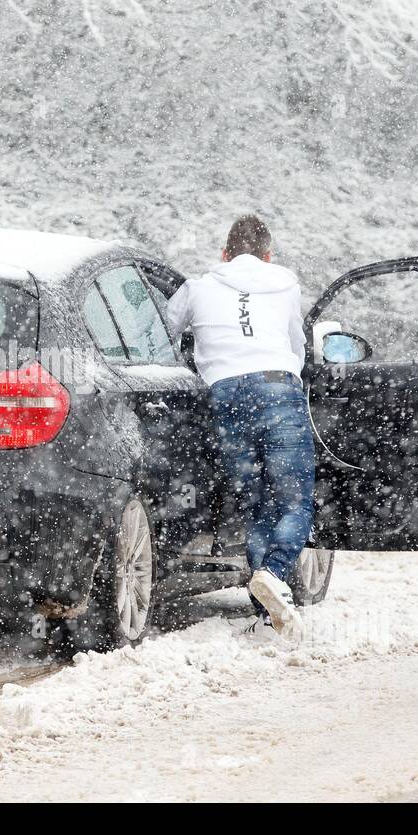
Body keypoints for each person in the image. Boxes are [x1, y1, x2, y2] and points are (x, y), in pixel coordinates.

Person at [166, 215, 313, 641]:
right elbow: (298, 348)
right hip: (277, 386)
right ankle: (274, 572)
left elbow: (161, 337)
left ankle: (267, 613)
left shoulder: (197, 287)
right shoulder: (285, 284)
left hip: (226, 395)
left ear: (224, 254)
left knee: (256, 505)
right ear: (268, 255)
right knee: (293, 502)